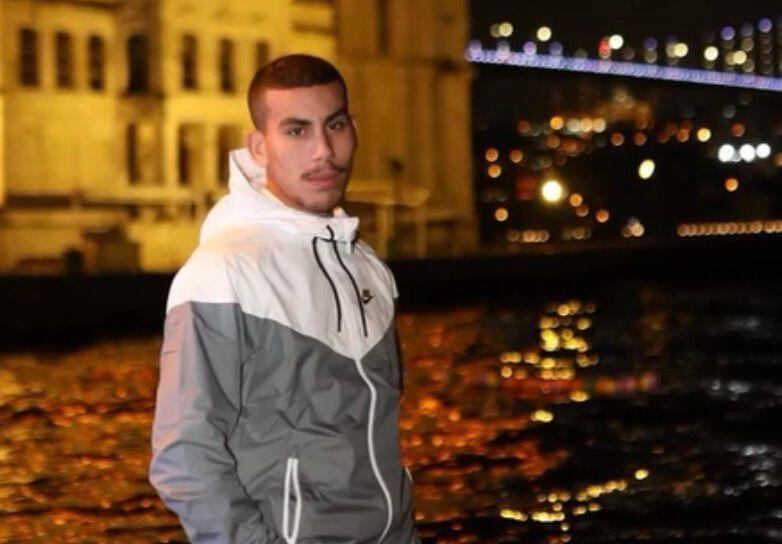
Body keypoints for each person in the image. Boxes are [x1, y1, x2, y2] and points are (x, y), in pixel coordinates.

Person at [148, 54, 421, 544]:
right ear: (259, 147)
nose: (323, 151)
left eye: (334, 125)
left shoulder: (366, 266)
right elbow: (184, 458)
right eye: (296, 131)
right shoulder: (222, 271)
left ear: (354, 130)